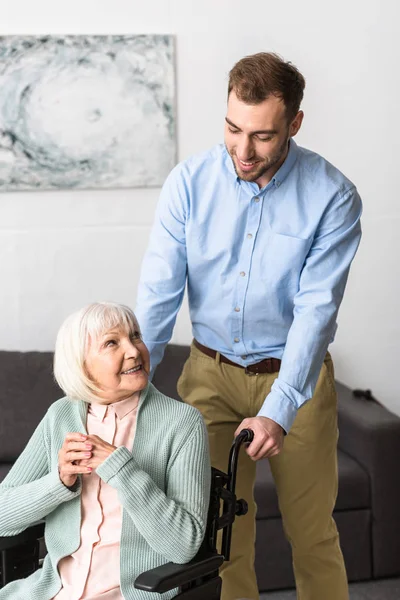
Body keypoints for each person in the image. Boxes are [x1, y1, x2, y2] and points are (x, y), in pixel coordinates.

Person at [135, 52, 362, 600]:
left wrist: (279, 411)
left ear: (294, 125)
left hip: (295, 381)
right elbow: (158, 295)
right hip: (208, 377)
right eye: (233, 129)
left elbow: (315, 314)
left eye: (262, 136)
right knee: (218, 537)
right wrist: (132, 383)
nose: (243, 150)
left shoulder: (333, 197)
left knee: (312, 536)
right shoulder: (189, 183)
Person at [0, 302, 210, 600]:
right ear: (81, 363)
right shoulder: (60, 416)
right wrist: (59, 483)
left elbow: (183, 545)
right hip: (54, 591)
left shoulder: (182, 423)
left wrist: (123, 471)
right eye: (112, 342)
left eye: (135, 336)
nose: (135, 350)